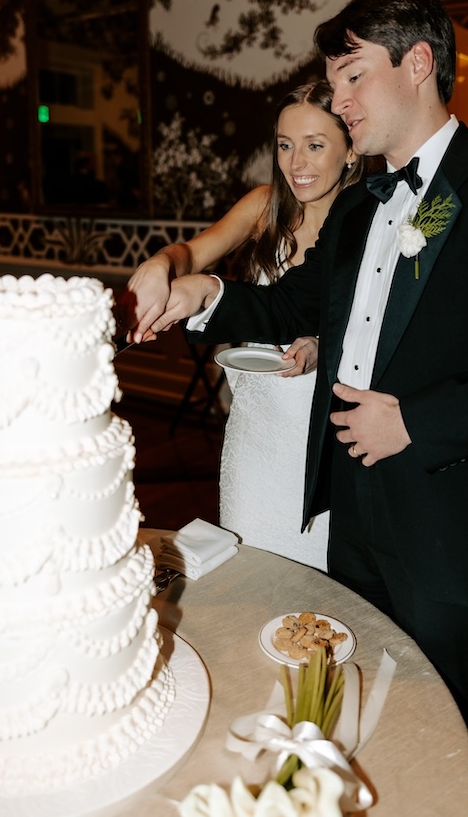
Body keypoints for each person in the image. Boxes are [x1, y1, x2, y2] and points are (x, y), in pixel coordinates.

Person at [125, 0, 468, 816]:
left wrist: (414, 419)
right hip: (353, 517)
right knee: (373, 712)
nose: (338, 103)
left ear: (417, 63)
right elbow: (289, 305)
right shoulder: (355, 210)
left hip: (457, 528)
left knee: (465, 728)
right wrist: (200, 291)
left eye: (351, 77)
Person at [119, 81, 364, 570]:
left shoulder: (366, 221)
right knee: (248, 567)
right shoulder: (264, 206)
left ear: (352, 150)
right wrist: (162, 264)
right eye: (285, 145)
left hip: (322, 434)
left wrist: (320, 342)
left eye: (315, 146)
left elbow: (370, 325)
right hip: (255, 430)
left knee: (315, 585)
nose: (297, 163)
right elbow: (193, 252)